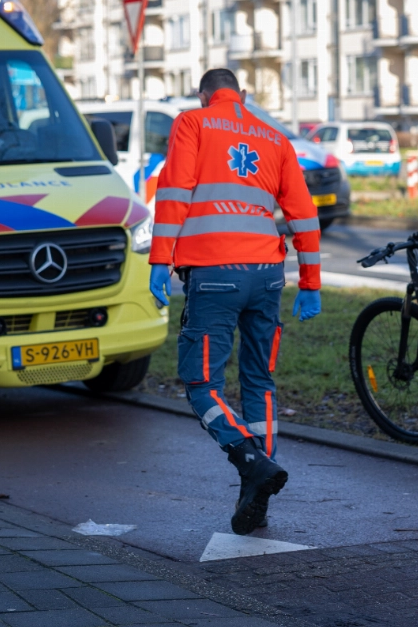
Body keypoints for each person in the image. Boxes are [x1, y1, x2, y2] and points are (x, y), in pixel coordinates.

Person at [148, 68, 322, 536]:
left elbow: (174, 194)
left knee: (201, 384)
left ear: (205, 96)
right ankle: (257, 492)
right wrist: (311, 282)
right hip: (267, 275)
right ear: (242, 96)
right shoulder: (274, 136)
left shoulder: (193, 123)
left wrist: (159, 260)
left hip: (214, 274)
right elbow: (303, 212)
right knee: (259, 381)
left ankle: (251, 463)